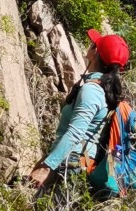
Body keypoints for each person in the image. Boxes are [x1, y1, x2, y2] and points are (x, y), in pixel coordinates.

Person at [27, 30, 130, 194]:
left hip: (72, 164)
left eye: (93, 44)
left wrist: (47, 167)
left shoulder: (92, 91)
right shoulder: (106, 90)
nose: (90, 46)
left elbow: (75, 133)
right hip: (77, 162)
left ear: (95, 52)